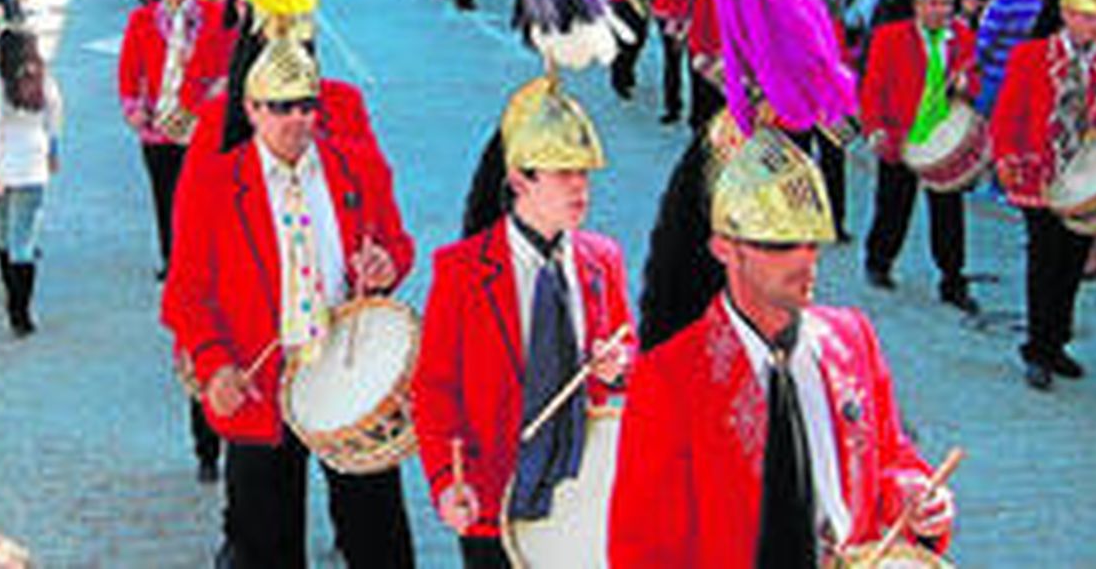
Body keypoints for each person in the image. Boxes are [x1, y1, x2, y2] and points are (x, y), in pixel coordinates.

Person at [609, 124, 954, 566]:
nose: (804, 260)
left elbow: (891, 459)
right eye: (780, 245)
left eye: (813, 241)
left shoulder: (853, 338)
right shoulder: (670, 377)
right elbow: (643, 549)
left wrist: (915, 495)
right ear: (725, 249)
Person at [162, 36, 417, 568]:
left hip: (349, 376)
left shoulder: (355, 164)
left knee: (381, 542)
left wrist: (387, 265)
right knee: (267, 546)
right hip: (260, 389)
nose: (298, 120)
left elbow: (397, 242)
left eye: (307, 105)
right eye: (281, 108)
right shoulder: (214, 181)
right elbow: (186, 292)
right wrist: (213, 367)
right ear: (251, 109)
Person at [412, 76, 634, 567]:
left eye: (584, 173)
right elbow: (434, 389)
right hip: (493, 497)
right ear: (519, 180)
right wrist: (447, 483)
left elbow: (626, 347)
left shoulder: (604, 259)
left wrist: (618, 365)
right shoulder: (462, 271)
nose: (580, 186)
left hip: (581, 502)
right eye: (562, 172)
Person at [991, 0, 1096, 391]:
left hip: (1088, 179)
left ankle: (1057, 341)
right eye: (1090, 17)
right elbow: (1008, 112)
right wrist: (1006, 155)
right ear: (1068, 14)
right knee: (1045, 260)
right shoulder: (1032, 55)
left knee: (1074, 260)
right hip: (1039, 173)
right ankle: (1037, 348)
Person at [860, 0, 981, 312]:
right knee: (893, 204)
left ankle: (952, 278)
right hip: (900, 135)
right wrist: (874, 128)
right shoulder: (890, 37)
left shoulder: (961, 37)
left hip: (943, 140)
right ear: (916, 4)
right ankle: (879, 261)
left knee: (949, 212)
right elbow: (873, 88)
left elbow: (974, 81)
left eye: (947, 3)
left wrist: (964, 86)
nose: (941, 11)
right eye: (933, 3)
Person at [118, 0, 225, 277]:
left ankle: (202, 257)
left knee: (201, 196)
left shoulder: (211, 15)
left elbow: (226, 57)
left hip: (198, 122)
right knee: (164, 195)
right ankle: (171, 257)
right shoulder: (142, 20)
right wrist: (133, 106)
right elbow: (128, 68)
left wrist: (217, 90)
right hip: (158, 124)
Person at [0, 26, 63, 337]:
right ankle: (21, 312)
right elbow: (55, 118)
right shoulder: (42, 80)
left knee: (1, 234)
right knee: (23, 240)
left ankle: (10, 299)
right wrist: (54, 150)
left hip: (0, 165)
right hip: (32, 163)